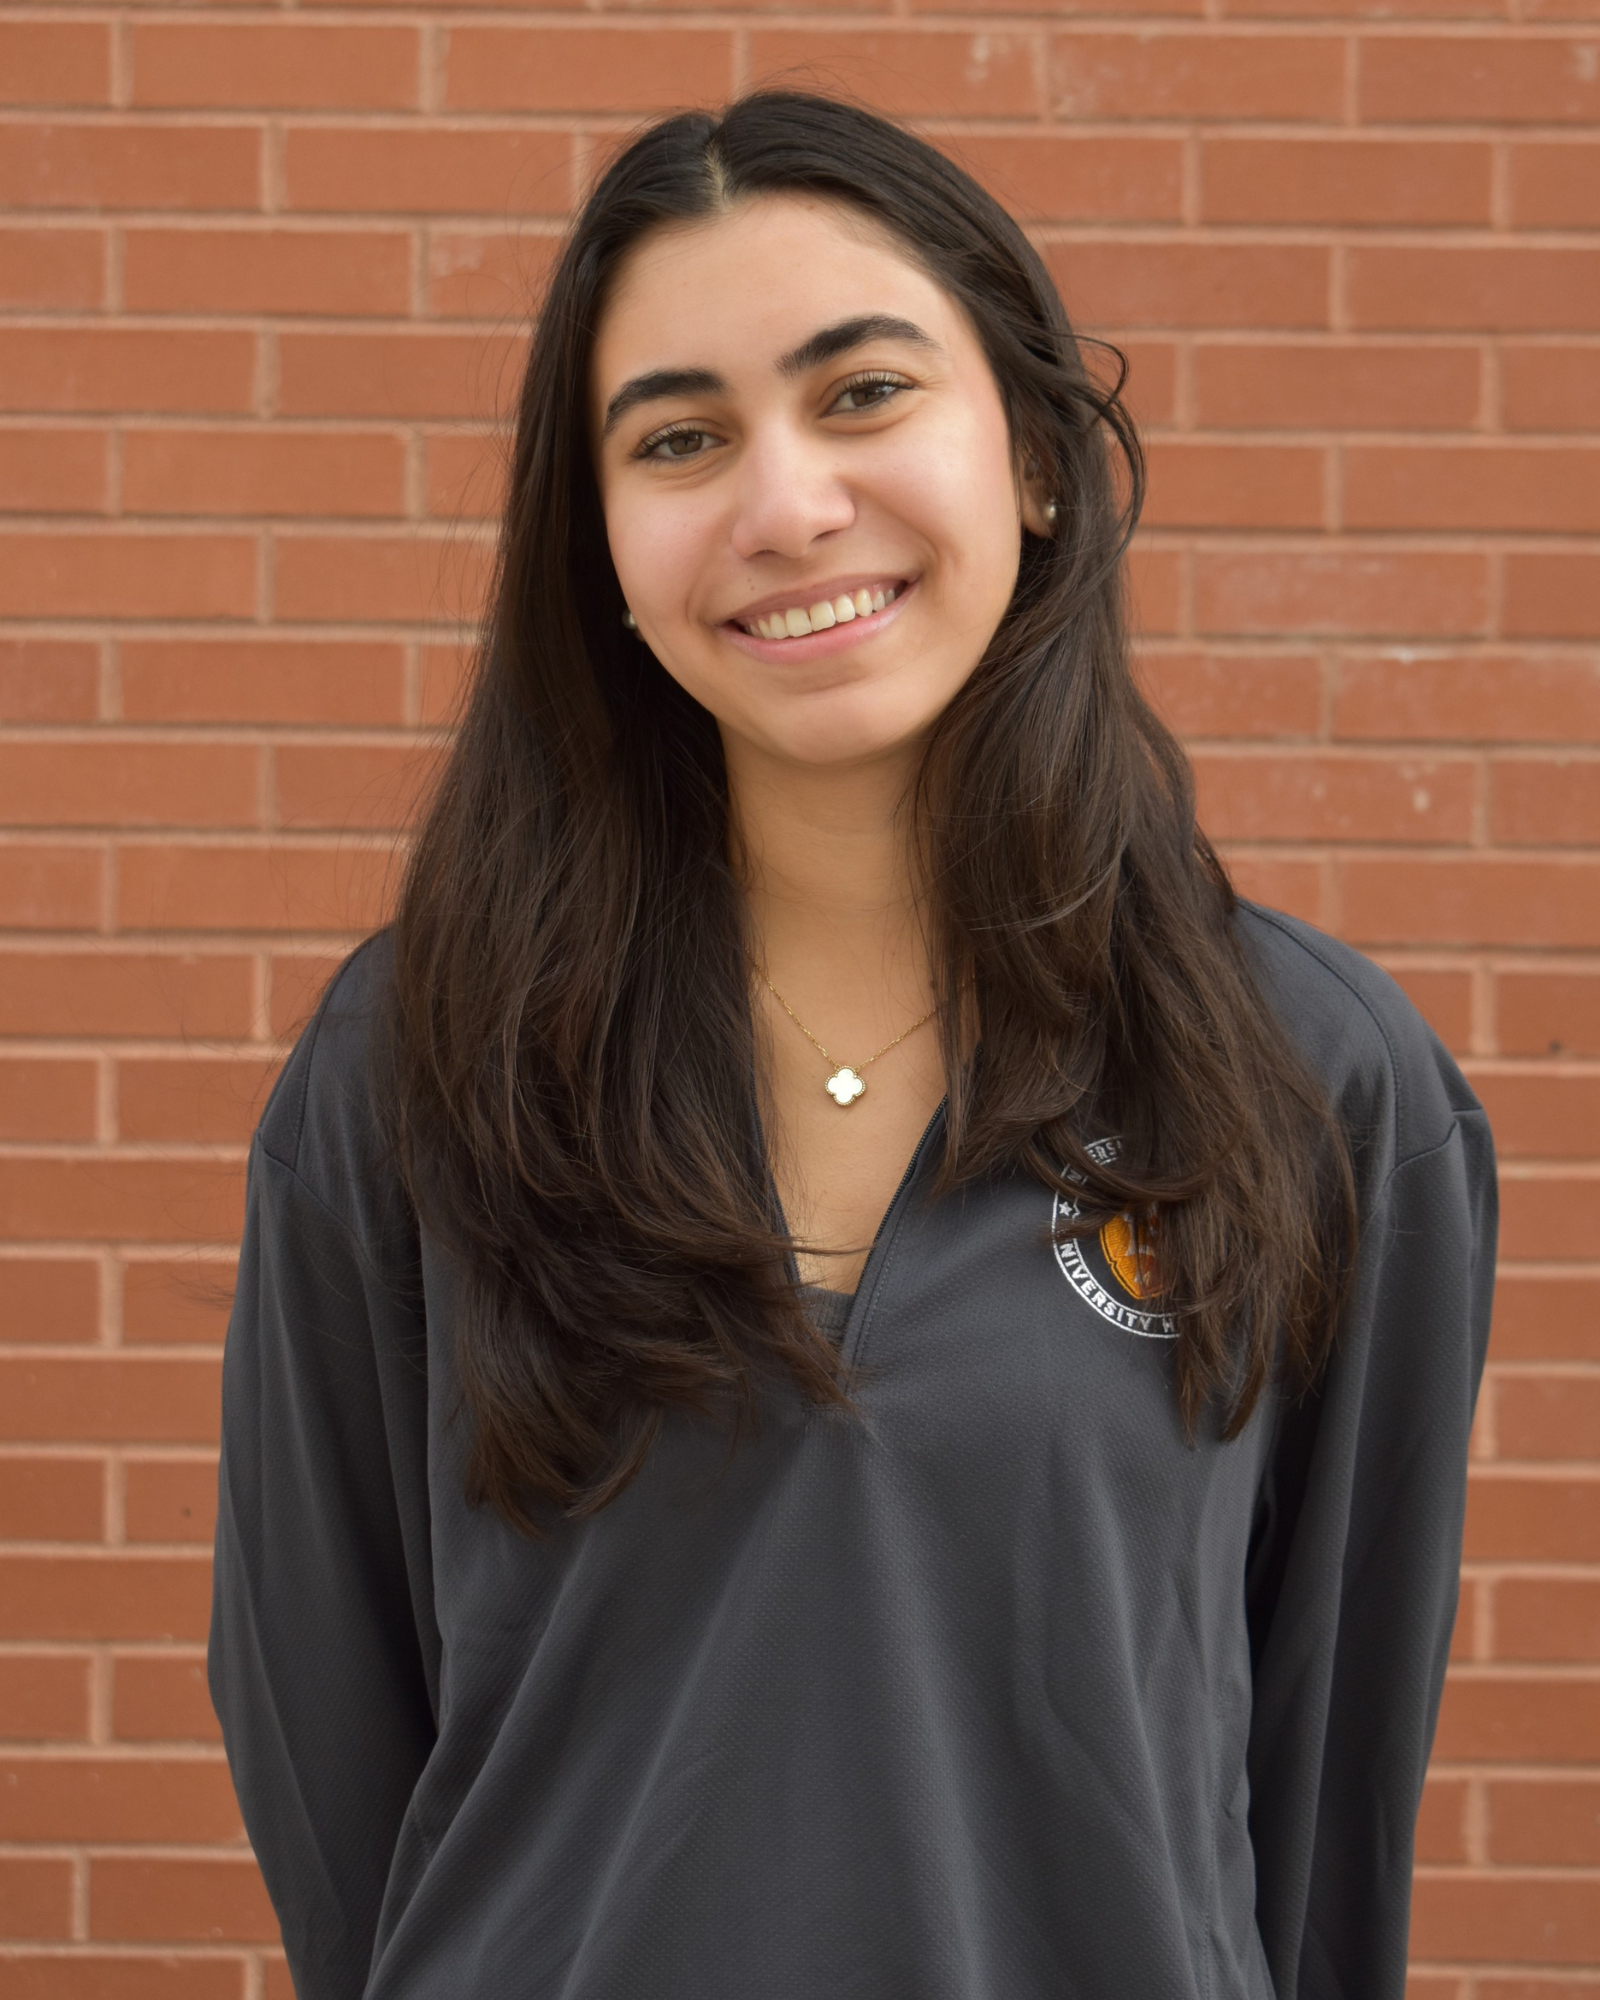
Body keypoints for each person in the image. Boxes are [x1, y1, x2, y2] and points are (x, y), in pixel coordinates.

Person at [209, 92, 1496, 2000]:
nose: (785, 505)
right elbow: (329, 1748)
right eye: (679, 438)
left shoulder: (1314, 1080)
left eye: (865, 392)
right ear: (603, 551)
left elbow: (1323, 1806)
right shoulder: (414, 1071)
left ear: (1035, 457)